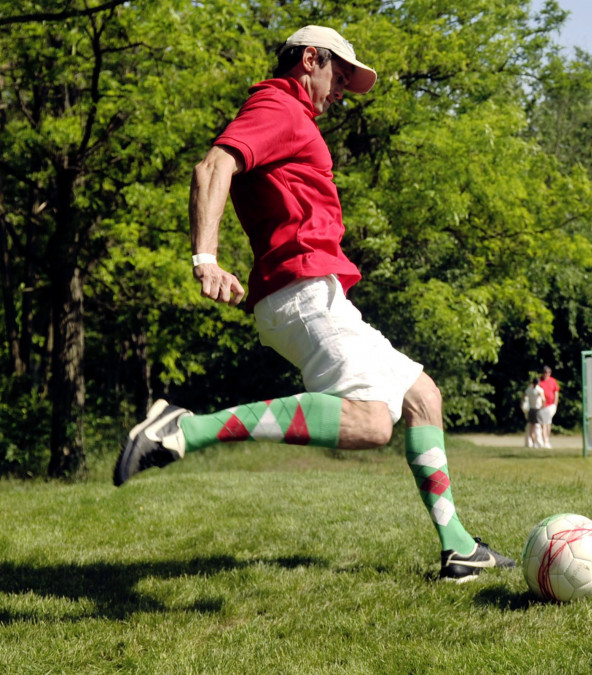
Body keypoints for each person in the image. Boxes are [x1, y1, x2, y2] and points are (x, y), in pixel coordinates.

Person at [111, 25, 514, 583]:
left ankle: (459, 548)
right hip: (301, 293)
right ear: (309, 60)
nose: (342, 91)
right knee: (373, 424)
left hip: (318, 292)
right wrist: (205, 258)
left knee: (422, 396)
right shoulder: (278, 105)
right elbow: (213, 168)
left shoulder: (292, 117)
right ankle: (183, 429)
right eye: (340, 76)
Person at [537, 365, 559, 448]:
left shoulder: (553, 381)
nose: (545, 374)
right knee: (544, 424)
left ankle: (547, 439)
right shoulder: (539, 381)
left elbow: (556, 393)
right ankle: (544, 440)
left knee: (548, 422)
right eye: (544, 372)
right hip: (542, 406)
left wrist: (555, 404)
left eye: (547, 372)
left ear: (550, 373)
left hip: (550, 405)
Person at [521, 376, 546, 448]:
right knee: (538, 426)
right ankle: (539, 442)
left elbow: (523, 397)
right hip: (537, 409)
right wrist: (542, 407)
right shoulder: (539, 390)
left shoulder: (528, 389)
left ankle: (533, 442)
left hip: (530, 409)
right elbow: (543, 399)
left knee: (531, 427)